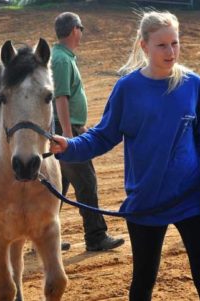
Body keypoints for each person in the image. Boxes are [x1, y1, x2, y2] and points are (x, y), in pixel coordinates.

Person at [51, 11, 200, 301]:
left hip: (192, 199)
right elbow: (104, 135)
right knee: (142, 286)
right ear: (144, 46)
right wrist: (71, 146)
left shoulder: (193, 84)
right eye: (162, 45)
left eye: (175, 43)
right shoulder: (127, 89)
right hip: (146, 202)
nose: (171, 52)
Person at [51, 12, 125, 252]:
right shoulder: (61, 59)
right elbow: (60, 97)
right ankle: (96, 236)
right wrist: (68, 135)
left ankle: (46, 236)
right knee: (86, 183)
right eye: (81, 28)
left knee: (57, 185)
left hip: (67, 128)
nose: (81, 33)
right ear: (74, 30)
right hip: (67, 130)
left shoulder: (63, 56)